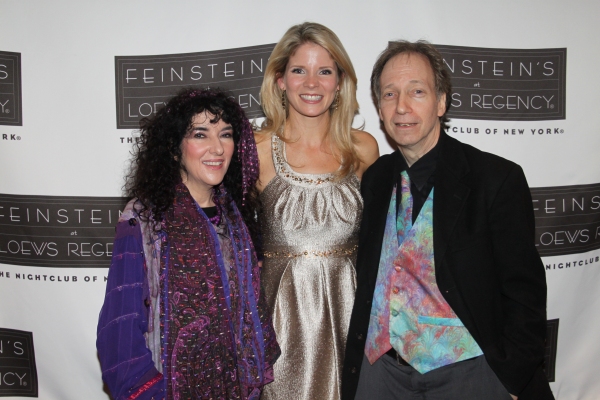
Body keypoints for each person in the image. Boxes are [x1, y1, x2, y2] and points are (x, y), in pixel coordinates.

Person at [342, 41, 554, 400]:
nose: (402, 106)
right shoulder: (375, 178)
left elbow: (525, 292)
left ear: (441, 102)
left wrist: (513, 377)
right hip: (381, 373)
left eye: (417, 92)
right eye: (390, 94)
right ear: (379, 107)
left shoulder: (495, 179)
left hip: (468, 372)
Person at [96, 88, 279, 400]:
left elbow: (251, 315)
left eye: (226, 134)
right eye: (200, 134)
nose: (217, 148)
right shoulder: (143, 220)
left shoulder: (237, 218)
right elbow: (120, 331)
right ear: (173, 147)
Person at [255, 22, 379, 400]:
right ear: (280, 80)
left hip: (351, 323)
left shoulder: (365, 150)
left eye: (324, 71)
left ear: (340, 82)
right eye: (299, 70)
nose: (311, 83)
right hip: (279, 330)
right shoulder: (255, 149)